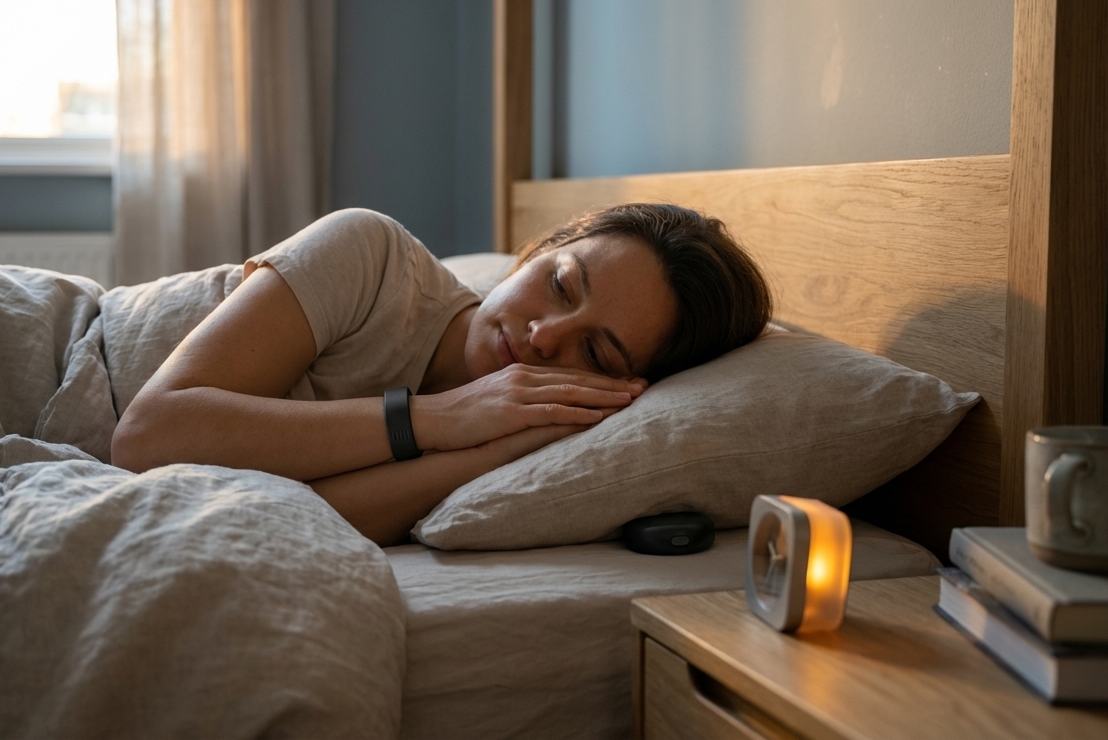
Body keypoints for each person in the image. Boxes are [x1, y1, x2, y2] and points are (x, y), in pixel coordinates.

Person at [112, 203, 771, 546]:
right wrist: (434, 419)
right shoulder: (370, 255)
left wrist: (497, 448)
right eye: (560, 284)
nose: (544, 336)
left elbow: (301, 516)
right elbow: (148, 438)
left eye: (596, 356)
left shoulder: (538, 435)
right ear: (538, 252)